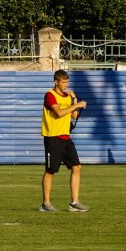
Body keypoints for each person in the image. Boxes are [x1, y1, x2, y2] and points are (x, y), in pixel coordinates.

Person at [41, 70, 89, 212]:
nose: (66, 84)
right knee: (51, 171)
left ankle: (74, 203)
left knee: (76, 167)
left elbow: (73, 115)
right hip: (53, 138)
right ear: (56, 82)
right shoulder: (50, 95)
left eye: (67, 82)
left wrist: (74, 100)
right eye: (63, 82)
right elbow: (59, 112)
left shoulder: (67, 97)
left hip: (66, 137)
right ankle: (46, 204)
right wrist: (77, 104)